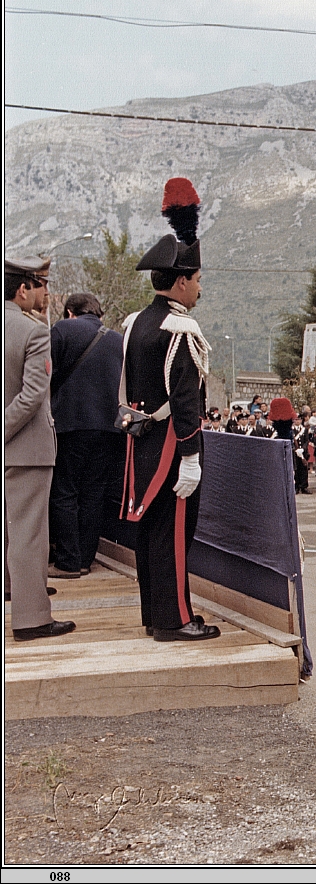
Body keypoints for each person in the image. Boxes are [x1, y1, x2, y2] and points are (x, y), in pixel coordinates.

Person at [120, 178, 218, 641]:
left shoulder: (136, 322)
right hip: (172, 449)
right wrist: (193, 455)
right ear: (180, 281)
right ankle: (175, 620)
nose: (199, 289)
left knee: (151, 534)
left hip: (141, 443)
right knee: (176, 534)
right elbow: (185, 400)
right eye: (197, 280)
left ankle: (153, 614)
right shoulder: (181, 328)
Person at [5, 256, 76, 641]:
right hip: (26, 446)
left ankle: (9, 590)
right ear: (23, 289)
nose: (46, 293)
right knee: (30, 536)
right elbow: (33, 394)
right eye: (41, 285)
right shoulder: (32, 332)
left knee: (7, 532)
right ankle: (31, 618)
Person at [48, 291, 124, 578]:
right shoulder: (117, 340)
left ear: (69, 312)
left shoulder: (62, 329)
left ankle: (68, 561)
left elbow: (46, 375)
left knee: (65, 490)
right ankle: (85, 559)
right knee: (95, 491)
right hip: (108, 427)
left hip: (71, 423)